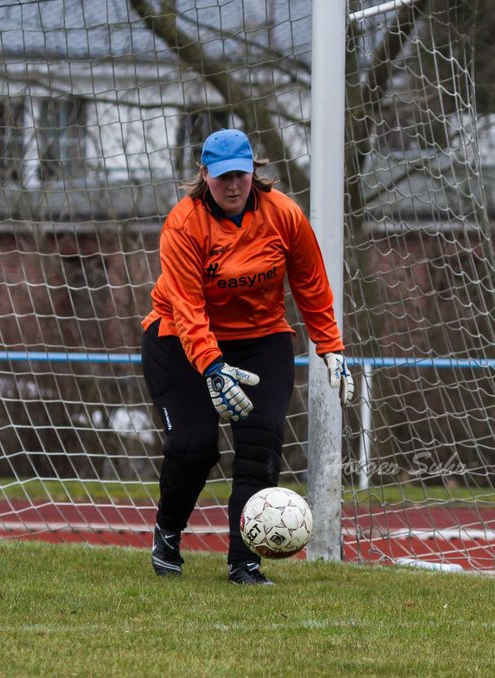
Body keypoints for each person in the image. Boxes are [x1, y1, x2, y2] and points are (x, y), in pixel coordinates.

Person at [141, 127, 352, 585]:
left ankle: (244, 561)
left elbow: (311, 283)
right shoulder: (183, 224)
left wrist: (330, 346)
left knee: (260, 449)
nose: (233, 185)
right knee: (194, 448)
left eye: (241, 174)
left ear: (255, 171)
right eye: (222, 177)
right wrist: (213, 368)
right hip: (181, 338)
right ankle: (168, 532)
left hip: (261, 340)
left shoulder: (284, 215)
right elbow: (188, 308)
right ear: (204, 175)